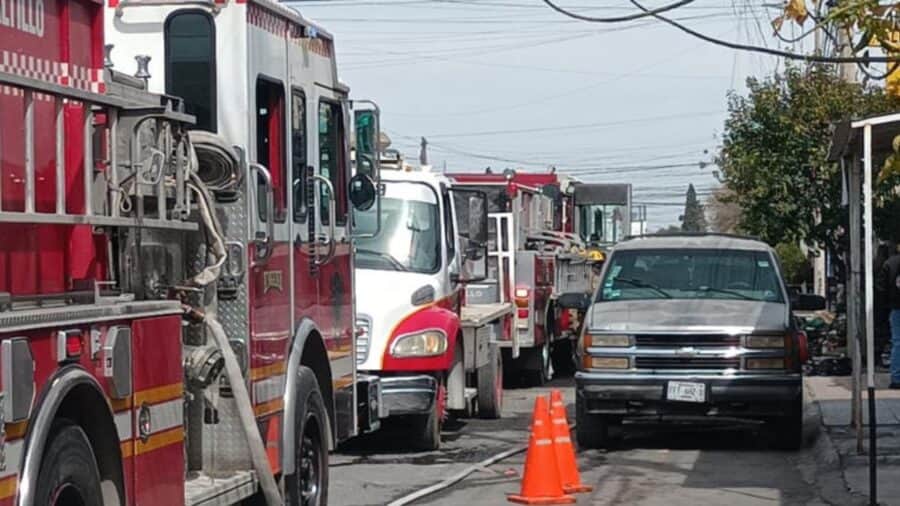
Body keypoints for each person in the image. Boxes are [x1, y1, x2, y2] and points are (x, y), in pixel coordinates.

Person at [876, 245, 900, 388]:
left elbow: (880, 288)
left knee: (898, 343)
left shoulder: (889, 263)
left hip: (896, 308)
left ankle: (897, 378)